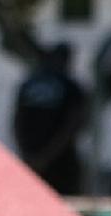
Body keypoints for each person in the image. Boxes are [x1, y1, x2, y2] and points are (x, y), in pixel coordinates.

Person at [10, 42, 88, 194]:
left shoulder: (28, 86)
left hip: (31, 157)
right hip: (61, 163)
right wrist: (46, 156)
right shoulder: (70, 87)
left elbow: (17, 121)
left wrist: (27, 154)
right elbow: (72, 125)